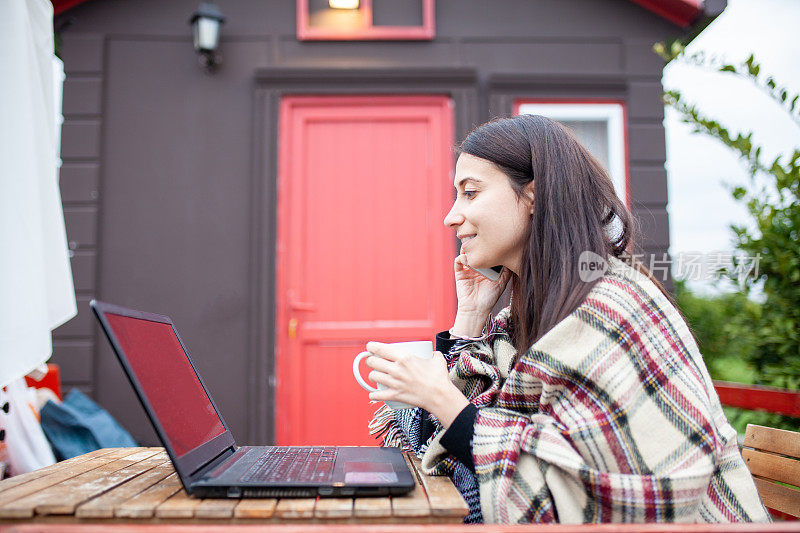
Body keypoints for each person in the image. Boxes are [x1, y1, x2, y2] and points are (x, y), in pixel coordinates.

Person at [364, 114, 770, 524]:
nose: (451, 216)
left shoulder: (614, 308)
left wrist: (442, 399)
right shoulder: (527, 318)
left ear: (534, 196)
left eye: (470, 193)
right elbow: (452, 443)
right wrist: (469, 318)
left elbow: (598, 504)